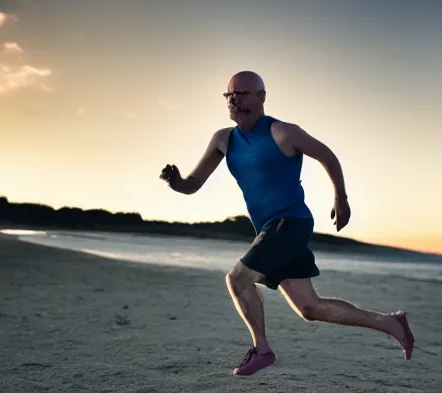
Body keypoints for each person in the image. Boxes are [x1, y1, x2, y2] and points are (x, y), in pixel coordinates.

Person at [159, 70, 415, 376]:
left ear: (261, 97)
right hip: (269, 229)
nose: (234, 100)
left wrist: (341, 199)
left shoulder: (283, 132)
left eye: (241, 93)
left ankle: (262, 349)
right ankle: (389, 322)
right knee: (309, 307)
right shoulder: (223, 140)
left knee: (237, 278)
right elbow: (193, 184)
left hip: (290, 222)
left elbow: (328, 157)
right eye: (229, 94)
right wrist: (176, 182)